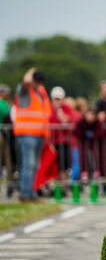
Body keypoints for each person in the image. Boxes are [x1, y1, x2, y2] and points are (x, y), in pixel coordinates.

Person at [13, 68, 51, 202]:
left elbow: (44, 114)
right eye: (36, 81)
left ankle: (31, 192)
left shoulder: (41, 92)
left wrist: (46, 133)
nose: (38, 84)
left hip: (39, 134)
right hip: (27, 134)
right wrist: (30, 71)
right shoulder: (24, 91)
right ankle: (25, 193)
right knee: (28, 165)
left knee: (34, 165)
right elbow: (25, 81)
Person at [49, 86, 76, 178]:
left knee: (64, 166)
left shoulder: (66, 108)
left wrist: (59, 111)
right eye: (55, 99)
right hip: (51, 142)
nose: (57, 101)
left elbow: (65, 121)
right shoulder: (48, 108)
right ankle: (56, 187)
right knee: (53, 166)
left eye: (59, 99)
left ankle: (62, 187)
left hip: (64, 142)